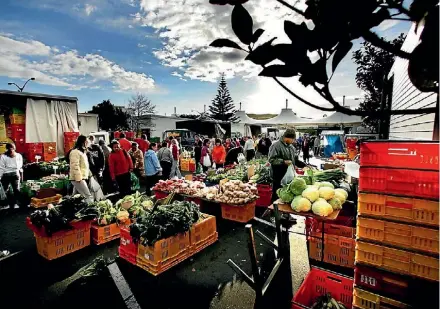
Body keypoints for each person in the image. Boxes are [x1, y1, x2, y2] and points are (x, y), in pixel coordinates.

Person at [268, 129, 297, 202]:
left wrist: (304, 165)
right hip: (278, 175)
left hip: (289, 175)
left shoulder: (291, 147)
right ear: (288, 138)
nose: (293, 141)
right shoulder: (276, 146)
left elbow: (295, 159)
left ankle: (283, 211)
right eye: (293, 139)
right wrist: (283, 162)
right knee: (277, 194)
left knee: (286, 195)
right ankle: (273, 210)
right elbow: (271, 160)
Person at [68, 136, 93, 204]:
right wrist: (79, 179)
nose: (88, 143)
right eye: (87, 142)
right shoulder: (75, 152)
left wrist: (89, 174)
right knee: (88, 196)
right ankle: (91, 209)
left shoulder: (82, 152)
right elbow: (75, 165)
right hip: (78, 179)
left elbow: (85, 166)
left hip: (81, 178)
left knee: (75, 197)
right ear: (83, 142)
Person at [0, 143, 23, 210]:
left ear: (6, 148)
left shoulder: (3, 156)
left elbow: (1, 168)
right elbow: (20, 165)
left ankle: (7, 205)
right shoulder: (18, 155)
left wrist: (0, 176)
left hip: (6, 175)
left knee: (5, 190)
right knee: (16, 190)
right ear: (14, 148)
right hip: (16, 174)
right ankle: (17, 204)